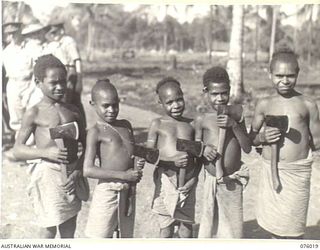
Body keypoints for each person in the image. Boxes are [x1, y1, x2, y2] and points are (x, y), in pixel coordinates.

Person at [12, 54, 86, 238]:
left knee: (69, 226)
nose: (60, 87)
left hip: (71, 174)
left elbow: (85, 146)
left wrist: (78, 169)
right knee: (49, 228)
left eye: (63, 81)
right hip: (48, 175)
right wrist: (45, 152)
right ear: (38, 82)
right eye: (54, 83)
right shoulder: (35, 113)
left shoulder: (73, 111)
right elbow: (17, 149)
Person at [249, 48, 320, 239]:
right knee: (274, 226)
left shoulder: (308, 105)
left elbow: (317, 142)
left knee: (294, 227)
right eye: (279, 75)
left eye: (290, 75)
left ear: (297, 74)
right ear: (269, 74)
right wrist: (263, 138)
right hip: (271, 171)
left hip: (296, 173)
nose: (285, 80)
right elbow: (251, 139)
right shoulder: (264, 104)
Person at [83, 79, 144, 238]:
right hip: (108, 189)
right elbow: (88, 169)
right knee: (99, 236)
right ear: (93, 104)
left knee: (124, 235)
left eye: (115, 104)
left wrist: (138, 162)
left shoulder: (126, 125)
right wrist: (123, 175)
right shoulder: (95, 132)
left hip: (128, 189)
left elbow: (133, 152)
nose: (112, 110)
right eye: (105, 106)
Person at [196, 66, 251, 238]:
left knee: (233, 230)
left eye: (224, 93)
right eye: (214, 94)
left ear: (229, 90)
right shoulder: (202, 119)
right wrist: (203, 150)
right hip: (211, 181)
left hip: (232, 181)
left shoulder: (236, 114)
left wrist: (234, 126)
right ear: (206, 92)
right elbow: (195, 148)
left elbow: (247, 147)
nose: (220, 98)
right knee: (211, 226)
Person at [146, 77, 201, 238]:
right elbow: (149, 155)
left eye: (179, 100)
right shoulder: (158, 124)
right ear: (160, 103)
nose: (176, 105)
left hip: (187, 183)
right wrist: (170, 161)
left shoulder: (192, 124)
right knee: (166, 226)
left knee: (186, 226)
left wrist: (194, 179)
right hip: (166, 181)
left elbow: (199, 157)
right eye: (169, 102)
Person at [45, 22, 85, 125]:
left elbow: (77, 60)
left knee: (70, 100)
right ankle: (66, 125)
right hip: (58, 72)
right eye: (52, 33)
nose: (53, 35)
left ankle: (80, 127)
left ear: (62, 30)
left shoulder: (68, 41)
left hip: (69, 71)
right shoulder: (52, 44)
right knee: (61, 100)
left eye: (55, 32)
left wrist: (79, 78)